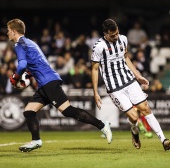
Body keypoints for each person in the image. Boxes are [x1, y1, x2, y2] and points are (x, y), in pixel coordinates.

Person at [7, 19, 112, 152]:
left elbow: (22, 64)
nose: (7, 33)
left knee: (67, 110)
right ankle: (36, 140)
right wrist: (28, 74)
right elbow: (38, 62)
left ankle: (103, 125)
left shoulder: (19, 45)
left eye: (9, 30)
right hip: (46, 82)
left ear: (14, 31)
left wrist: (15, 78)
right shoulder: (30, 42)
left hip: (48, 82)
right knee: (29, 111)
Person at [91, 18, 170, 151]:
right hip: (114, 87)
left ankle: (164, 140)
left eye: (117, 33)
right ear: (105, 34)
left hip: (129, 81)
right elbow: (94, 69)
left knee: (145, 108)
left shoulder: (123, 39)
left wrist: (137, 75)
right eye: (112, 35)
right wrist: (95, 92)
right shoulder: (98, 46)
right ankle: (134, 132)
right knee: (134, 116)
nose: (116, 36)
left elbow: (126, 58)